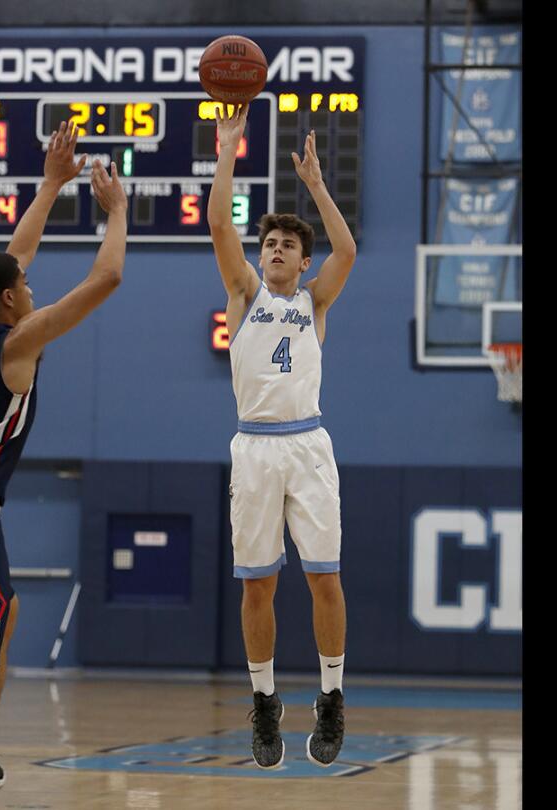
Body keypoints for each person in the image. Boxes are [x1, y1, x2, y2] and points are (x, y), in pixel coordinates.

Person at [0, 121, 128, 803]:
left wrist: (52, 183)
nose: (29, 280)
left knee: (9, 613)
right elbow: (106, 276)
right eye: (23, 282)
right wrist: (114, 214)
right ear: (8, 299)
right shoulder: (16, 342)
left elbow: (11, 253)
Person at [207, 103, 357, 769]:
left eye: (287, 246)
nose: (275, 251)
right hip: (254, 448)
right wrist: (228, 151)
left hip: (308, 446)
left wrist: (318, 186)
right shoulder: (244, 293)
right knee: (257, 586)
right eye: (269, 243)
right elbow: (217, 224)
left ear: (303, 263)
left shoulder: (314, 303)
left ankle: (331, 697)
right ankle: (265, 703)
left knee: (324, 579)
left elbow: (347, 250)